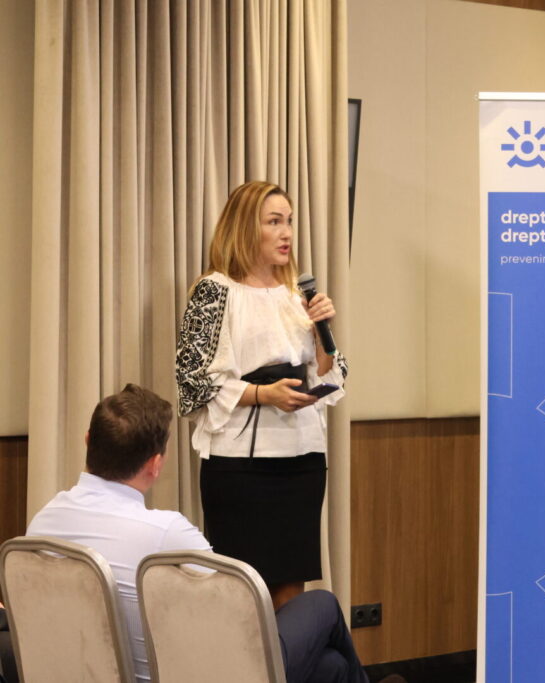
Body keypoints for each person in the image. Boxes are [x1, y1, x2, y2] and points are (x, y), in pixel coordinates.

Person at [26, 384, 375, 683]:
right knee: (322, 604)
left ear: (88, 441)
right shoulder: (167, 533)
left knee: (331, 667)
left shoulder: (42, 524)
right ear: (156, 464)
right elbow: (239, 619)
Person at [175, 180, 348, 610]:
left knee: (291, 594)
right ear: (245, 227)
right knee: (242, 596)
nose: (286, 232)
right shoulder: (214, 290)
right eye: (274, 222)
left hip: (302, 462)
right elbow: (190, 383)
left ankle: (289, 655)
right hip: (241, 469)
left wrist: (322, 334)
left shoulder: (298, 295)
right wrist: (262, 394)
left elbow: (330, 372)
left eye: (289, 221)